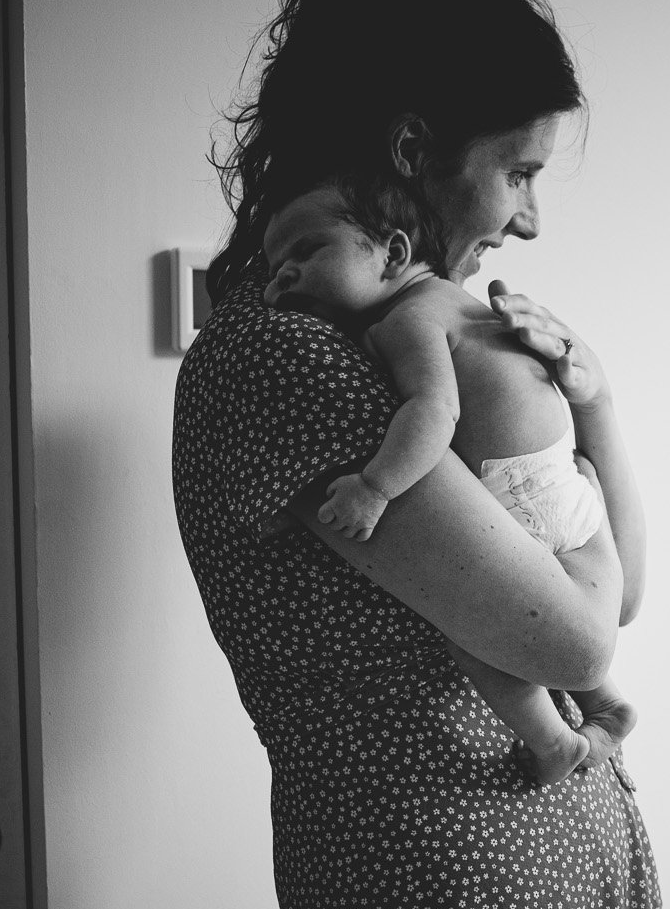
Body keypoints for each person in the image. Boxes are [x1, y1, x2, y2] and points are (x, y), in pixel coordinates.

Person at [170, 0, 670, 909]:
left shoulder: (409, 356)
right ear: (413, 147)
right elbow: (581, 626)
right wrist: (557, 480)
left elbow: (603, 607)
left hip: (549, 858)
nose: (529, 213)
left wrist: (592, 405)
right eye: (518, 167)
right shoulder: (291, 370)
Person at [260, 174, 635, 784]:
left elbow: (435, 413)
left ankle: (552, 741)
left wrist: (375, 487)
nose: (283, 277)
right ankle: (607, 704)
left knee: (469, 629)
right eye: (277, 269)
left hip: (518, 495)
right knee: (571, 600)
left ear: (395, 253)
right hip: (562, 480)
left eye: (308, 252)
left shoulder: (406, 320)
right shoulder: (462, 307)